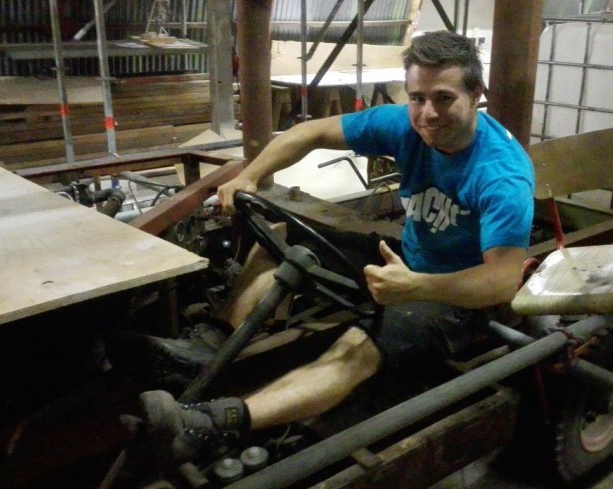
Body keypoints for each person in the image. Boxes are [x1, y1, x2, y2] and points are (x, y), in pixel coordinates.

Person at [136, 30, 535, 464]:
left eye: (443, 98)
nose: (427, 113)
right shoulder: (405, 125)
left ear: (476, 94)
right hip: (404, 260)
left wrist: (415, 287)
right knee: (281, 237)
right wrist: (249, 175)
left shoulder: (501, 174)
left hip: (457, 296)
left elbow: (501, 281)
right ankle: (206, 350)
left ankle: (208, 425)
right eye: (417, 98)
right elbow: (310, 132)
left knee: (354, 349)